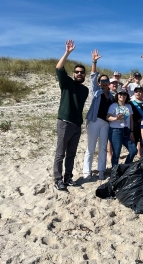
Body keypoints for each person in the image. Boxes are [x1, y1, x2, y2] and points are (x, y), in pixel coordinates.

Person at [53, 40, 89, 191]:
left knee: (71, 154)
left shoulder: (85, 90)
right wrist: (67, 52)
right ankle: (57, 179)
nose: (79, 74)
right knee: (60, 153)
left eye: (81, 72)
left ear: (84, 75)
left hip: (76, 124)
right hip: (65, 122)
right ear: (73, 74)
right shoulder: (67, 83)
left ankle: (68, 177)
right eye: (77, 72)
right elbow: (59, 68)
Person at [83, 49, 114, 181]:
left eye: (107, 81)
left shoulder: (112, 96)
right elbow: (93, 76)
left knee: (102, 148)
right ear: (99, 83)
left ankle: (101, 170)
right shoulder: (96, 91)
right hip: (94, 121)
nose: (105, 83)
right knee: (90, 147)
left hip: (105, 124)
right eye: (102, 81)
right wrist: (94, 61)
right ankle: (86, 172)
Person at [107, 89, 137, 168]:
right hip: (115, 130)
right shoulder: (113, 105)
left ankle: (125, 167)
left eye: (124, 94)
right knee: (116, 153)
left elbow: (131, 119)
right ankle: (114, 172)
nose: (122, 96)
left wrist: (132, 131)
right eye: (120, 94)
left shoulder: (129, 106)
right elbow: (108, 117)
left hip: (127, 130)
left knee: (133, 150)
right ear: (117, 95)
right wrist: (116, 118)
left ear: (127, 96)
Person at [129, 86, 143, 157]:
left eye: (140, 91)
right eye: (136, 92)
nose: (138, 93)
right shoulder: (130, 103)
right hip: (134, 126)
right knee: (133, 143)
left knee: (142, 141)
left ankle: (140, 155)